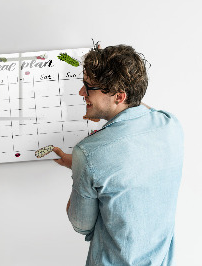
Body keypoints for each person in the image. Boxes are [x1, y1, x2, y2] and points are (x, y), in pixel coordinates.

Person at [53, 45, 184, 265]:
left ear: (119, 95)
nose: (81, 93)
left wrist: (80, 167)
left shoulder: (88, 153)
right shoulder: (170, 125)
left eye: (89, 87)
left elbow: (81, 224)